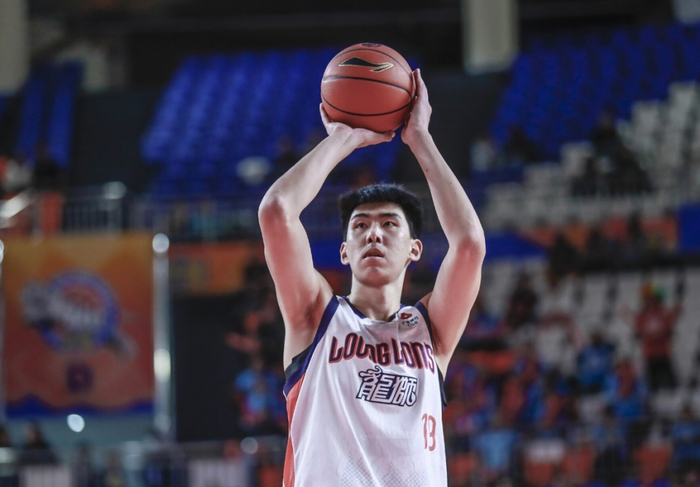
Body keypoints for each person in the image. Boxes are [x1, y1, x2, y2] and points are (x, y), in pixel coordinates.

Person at [258, 69, 486, 486]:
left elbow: (469, 243)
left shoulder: (431, 330)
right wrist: (344, 139)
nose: (374, 234)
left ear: (415, 249)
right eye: (360, 225)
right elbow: (276, 211)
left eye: (389, 224)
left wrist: (420, 138)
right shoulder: (315, 316)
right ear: (344, 251)